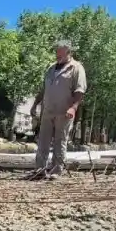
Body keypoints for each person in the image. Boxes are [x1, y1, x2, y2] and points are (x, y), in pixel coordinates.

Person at [29, 39, 87, 179]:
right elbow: (44, 89)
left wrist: (73, 108)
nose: (57, 55)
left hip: (64, 112)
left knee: (60, 141)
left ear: (68, 52)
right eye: (57, 53)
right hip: (47, 111)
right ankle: (40, 169)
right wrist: (35, 104)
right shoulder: (50, 68)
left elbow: (80, 91)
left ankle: (56, 171)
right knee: (43, 140)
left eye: (60, 53)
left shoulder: (76, 68)